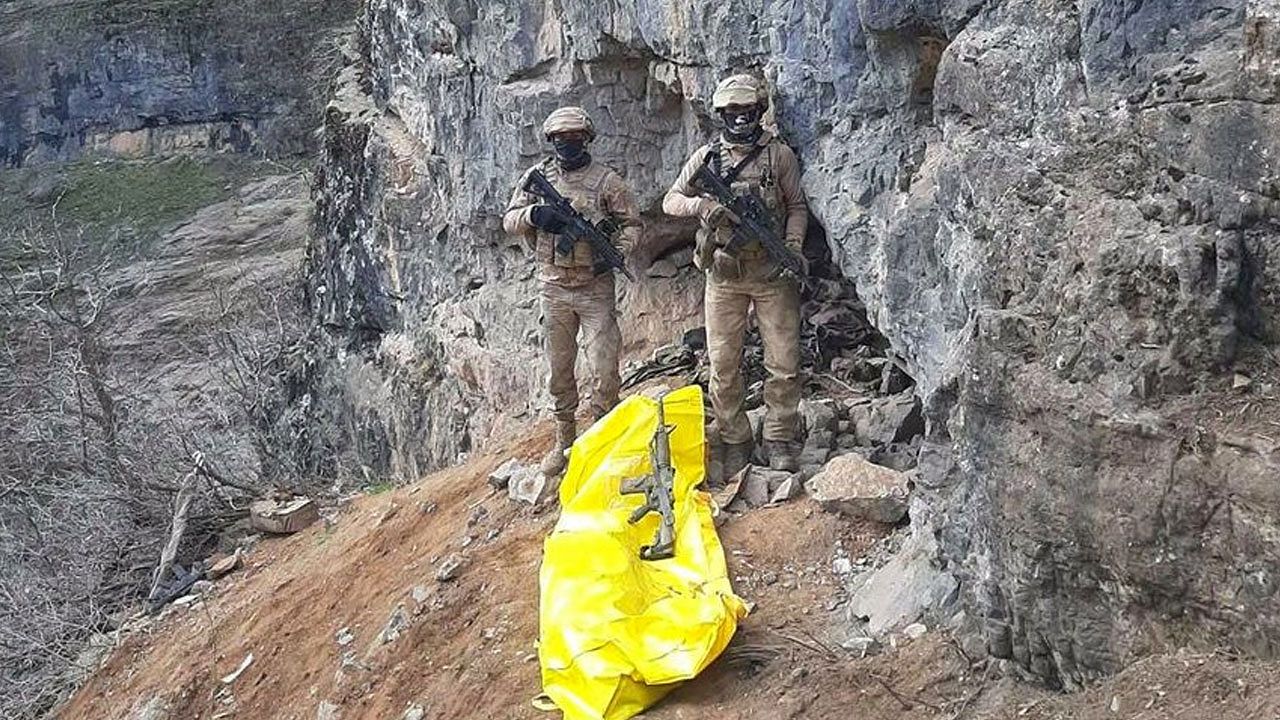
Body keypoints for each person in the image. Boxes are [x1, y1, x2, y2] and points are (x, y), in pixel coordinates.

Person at [662, 74, 809, 476]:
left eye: (747, 112)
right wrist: (703, 208)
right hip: (724, 279)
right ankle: (734, 438)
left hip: (771, 275)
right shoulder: (708, 158)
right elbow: (671, 200)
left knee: (783, 362)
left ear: (759, 111)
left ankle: (779, 436)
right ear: (721, 114)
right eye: (732, 113)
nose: (740, 121)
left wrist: (793, 248)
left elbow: (796, 206)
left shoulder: (778, 157)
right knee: (723, 364)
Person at [503, 106, 641, 476]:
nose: (568, 144)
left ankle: (601, 439)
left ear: (587, 138)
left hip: (595, 287)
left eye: (575, 137)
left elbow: (632, 225)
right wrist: (535, 216)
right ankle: (564, 442)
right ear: (550, 141)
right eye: (560, 138)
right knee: (559, 369)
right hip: (554, 287)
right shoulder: (537, 178)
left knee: (605, 369)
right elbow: (510, 219)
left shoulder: (608, 182)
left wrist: (613, 255)